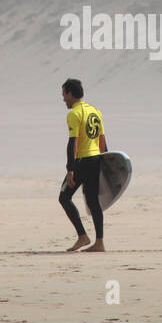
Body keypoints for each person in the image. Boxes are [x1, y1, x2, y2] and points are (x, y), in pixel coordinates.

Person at [58, 78, 108, 252]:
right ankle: (99, 243)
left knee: (64, 198)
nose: (63, 98)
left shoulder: (74, 114)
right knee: (93, 202)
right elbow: (102, 141)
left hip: (82, 161)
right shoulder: (95, 111)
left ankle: (83, 236)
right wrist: (105, 163)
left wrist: (70, 169)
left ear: (70, 94)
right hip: (96, 160)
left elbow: (73, 143)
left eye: (64, 94)